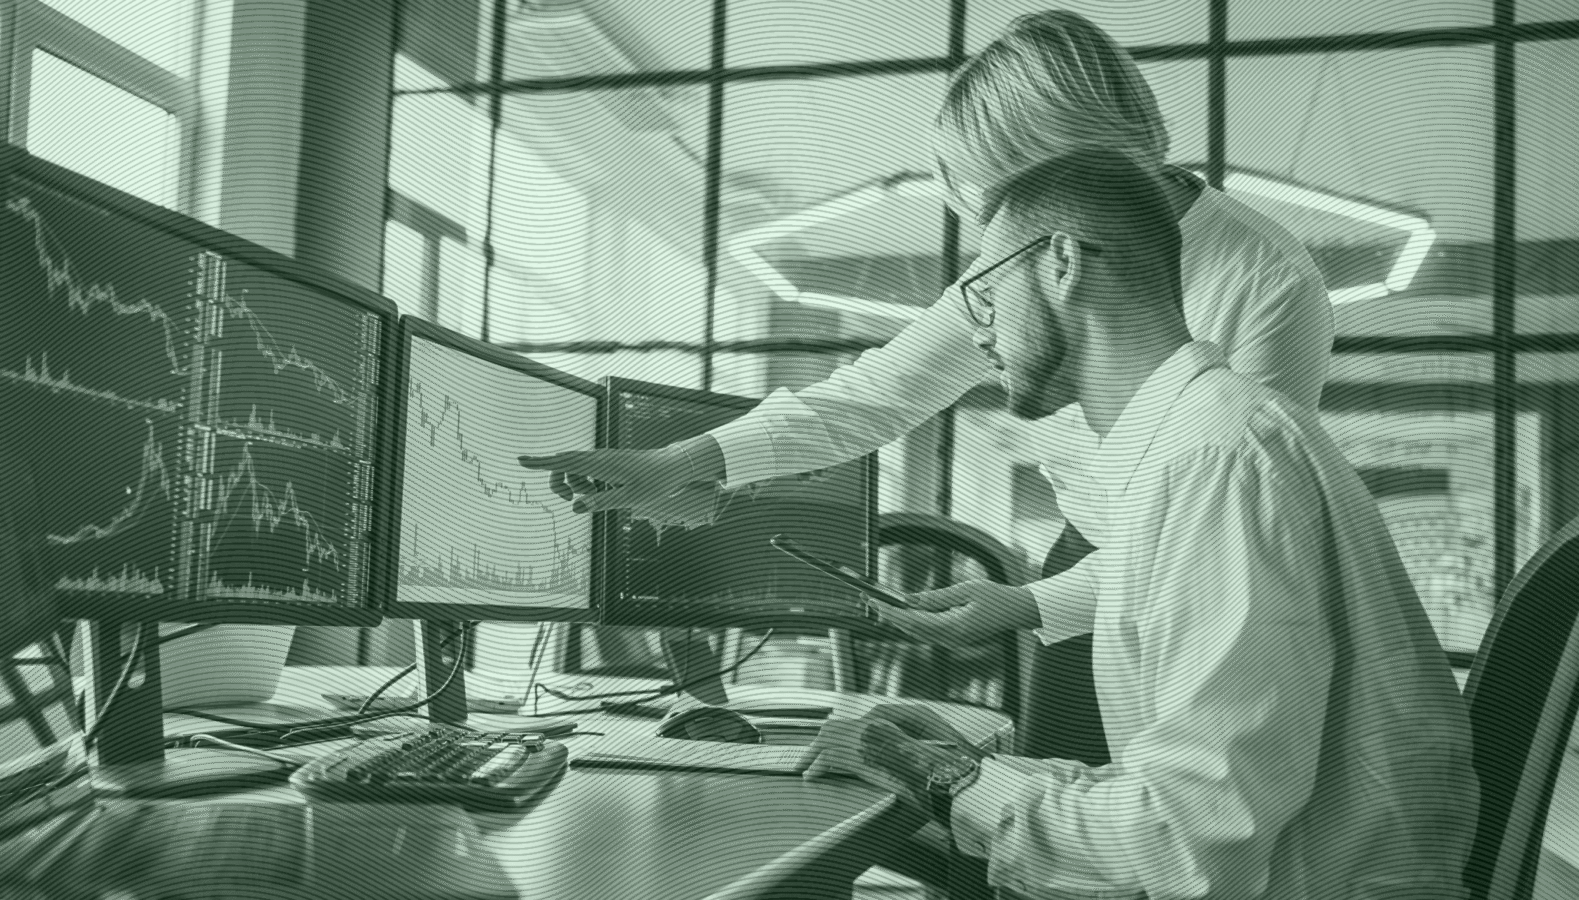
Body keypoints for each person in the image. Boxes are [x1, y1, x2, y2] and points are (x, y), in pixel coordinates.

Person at [518, 9, 1333, 639]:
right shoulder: (1023, 258)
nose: (990, 239)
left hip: (1212, 571)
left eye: (1001, 202)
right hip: (1090, 548)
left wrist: (1030, 605)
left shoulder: (1266, 281)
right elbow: (872, 396)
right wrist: (680, 461)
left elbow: (1220, 524)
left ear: (1074, 172)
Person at [799, 147, 1478, 900]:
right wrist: (982, 770)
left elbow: (1186, 843)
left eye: (985, 293)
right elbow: (1181, 803)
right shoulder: (1201, 440)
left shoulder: (1212, 463)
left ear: (1061, 262)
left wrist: (942, 776)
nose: (978, 332)